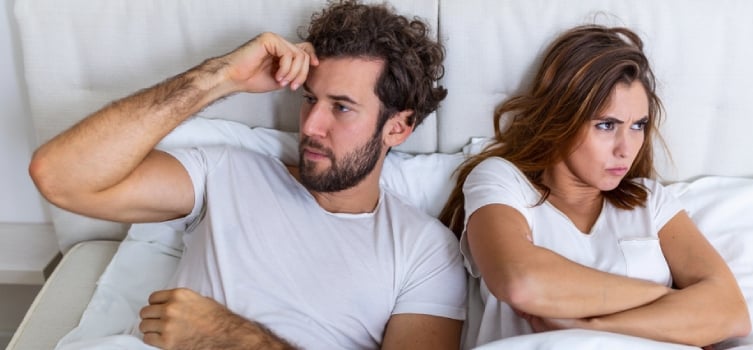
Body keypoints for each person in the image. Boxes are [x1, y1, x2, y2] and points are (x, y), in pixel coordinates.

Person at [29, 1, 466, 349]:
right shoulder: (225, 172)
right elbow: (59, 176)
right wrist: (219, 79)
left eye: (342, 107)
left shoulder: (424, 251)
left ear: (398, 126)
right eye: (310, 99)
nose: (311, 126)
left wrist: (231, 340)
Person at [439, 25, 751, 348]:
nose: (626, 148)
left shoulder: (650, 201)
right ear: (563, 118)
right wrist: (669, 299)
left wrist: (590, 324)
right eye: (606, 125)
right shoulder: (502, 181)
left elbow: (731, 311)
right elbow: (521, 281)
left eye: (638, 126)